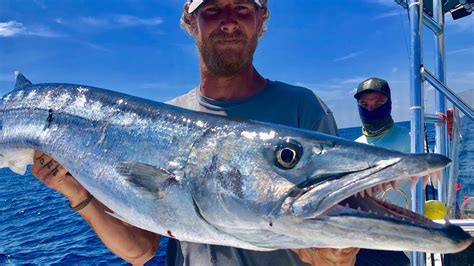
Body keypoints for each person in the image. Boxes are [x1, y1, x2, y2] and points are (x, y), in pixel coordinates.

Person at [31, 0, 360, 265]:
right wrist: (75, 191)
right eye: (213, 10)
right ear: (190, 22)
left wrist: (335, 255)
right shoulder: (155, 122)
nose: (228, 21)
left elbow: (324, 249)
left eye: (242, 9)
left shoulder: (303, 108)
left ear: (261, 21)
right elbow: (140, 250)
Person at [352, 77, 410, 266]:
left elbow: (440, 174)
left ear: (389, 104)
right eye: (364, 104)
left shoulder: (411, 138)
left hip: (401, 237)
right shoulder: (354, 147)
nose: (371, 108)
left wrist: (449, 135)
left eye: (378, 103)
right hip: (364, 236)